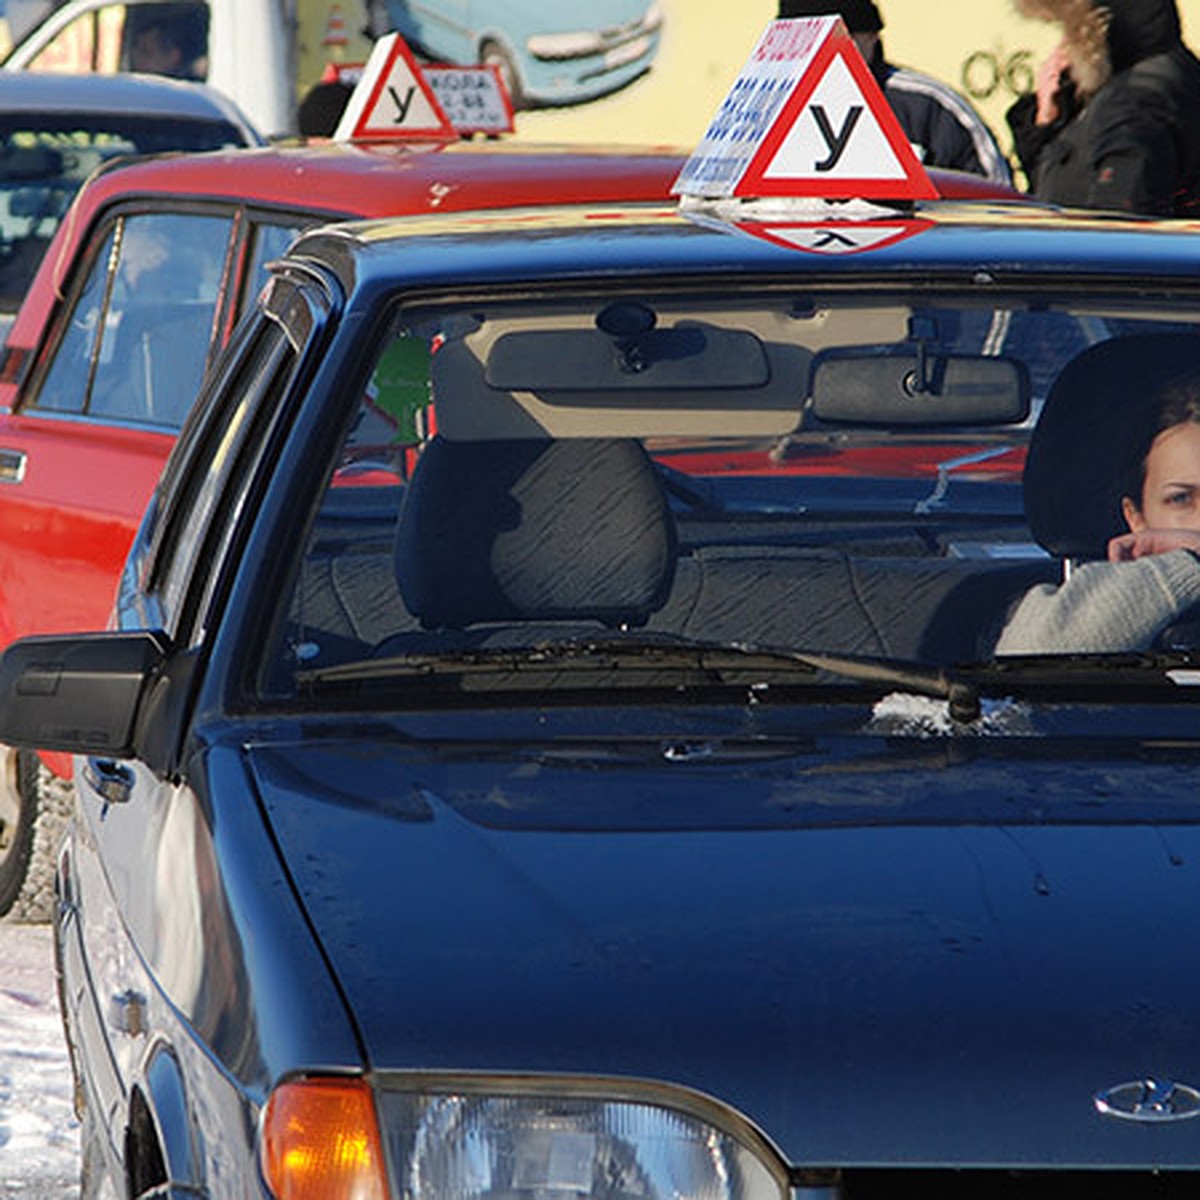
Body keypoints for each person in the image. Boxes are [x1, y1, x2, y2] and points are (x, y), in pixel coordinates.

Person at [996, 368, 1200, 655]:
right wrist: (1188, 566)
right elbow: (1031, 660)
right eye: (1180, 498)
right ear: (1136, 518)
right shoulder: (1095, 606)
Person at [777, 0, 1014, 185]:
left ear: (871, 37)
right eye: (807, 40)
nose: (823, 53)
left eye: (838, 37)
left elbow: (995, 208)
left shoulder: (930, 108)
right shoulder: (766, 106)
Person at [1006, 0, 1200, 216]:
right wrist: (1047, 122)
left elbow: (1118, 226)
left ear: (1097, 28)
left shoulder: (1138, 105)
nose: (1062, 48)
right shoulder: (1119, 88)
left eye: (1069, 31)